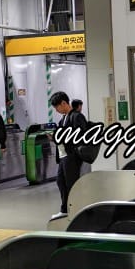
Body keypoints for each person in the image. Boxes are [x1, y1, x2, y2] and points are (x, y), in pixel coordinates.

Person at [48, 93, 87, 222]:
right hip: (63, 155)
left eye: (57, 107)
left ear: (64, 103)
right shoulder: (63, 119)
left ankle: (76, 210)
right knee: (61, 182)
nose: (56, 110)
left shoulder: (77, 116)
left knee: (71, 184)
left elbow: (81, 135)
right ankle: (65, 209)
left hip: (71, 155)